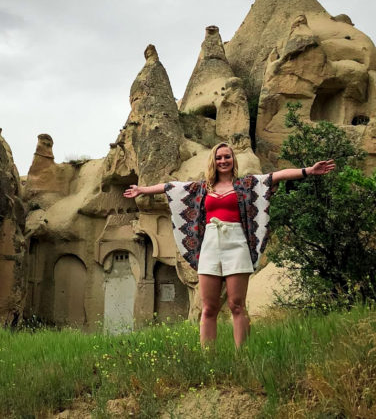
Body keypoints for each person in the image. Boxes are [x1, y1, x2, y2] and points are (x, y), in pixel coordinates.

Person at [123, 142, 335, 348]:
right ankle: (209, 358)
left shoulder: (245, 185)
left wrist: (309, 171)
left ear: (233, 160)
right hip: (210, 243)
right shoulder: (202, 188)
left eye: (227, 156)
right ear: (213, 161)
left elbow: (275, 176)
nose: (223, 160)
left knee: (236, 305)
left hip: (237, 243)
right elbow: (171, 187)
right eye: (219, 157)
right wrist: (143, 190)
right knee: (208, 307)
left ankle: (242, 356)